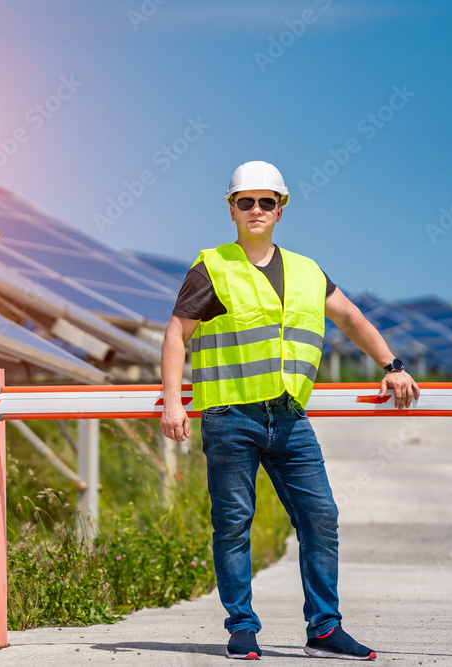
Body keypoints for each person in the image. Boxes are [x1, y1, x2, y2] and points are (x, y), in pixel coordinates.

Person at [159, 161, 419, 661]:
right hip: (229, 416)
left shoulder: (306, 270)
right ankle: (242, 629)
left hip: (290, 418)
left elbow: (350, 317)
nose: (256, 210)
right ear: (231, 209)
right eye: (245, 202)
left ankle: (324, 629)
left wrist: (392, 363)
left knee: (321, 516)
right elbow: (176, 333)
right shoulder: (212, 267)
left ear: (281, 209)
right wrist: (174, 402)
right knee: (233, 523)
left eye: (266, 202)